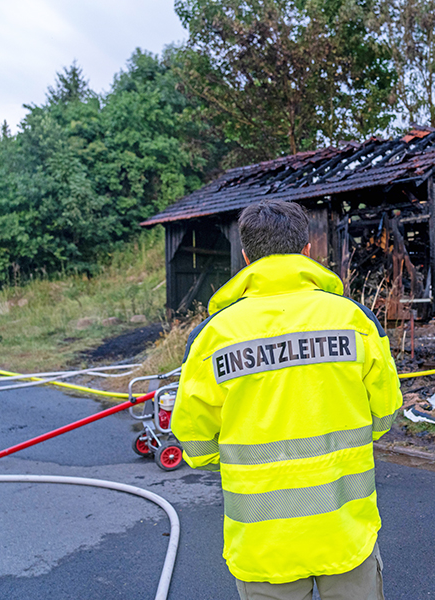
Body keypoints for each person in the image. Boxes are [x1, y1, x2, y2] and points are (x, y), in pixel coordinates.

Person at [171, 199, 402, 600]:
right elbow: (384, 416)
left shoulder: (213, 337)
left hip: (264, 544)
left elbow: (195, 441)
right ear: (307, 250)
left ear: (246, 257)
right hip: (345, 535)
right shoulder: (354, 321)